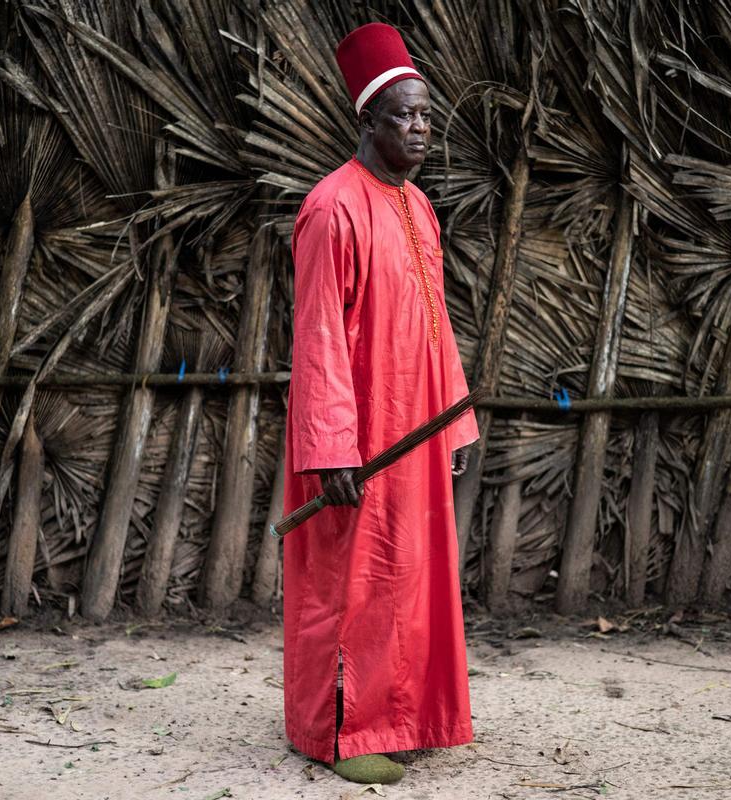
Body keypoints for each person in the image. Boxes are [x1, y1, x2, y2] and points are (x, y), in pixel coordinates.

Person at [281, 21, 480, 786]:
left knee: (408, 578)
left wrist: (455, 417)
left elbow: (436, 322)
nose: (422, 129)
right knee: (350, 586)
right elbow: (320, 338)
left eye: (428, 116)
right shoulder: (333, 208)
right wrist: (332, 448)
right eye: (404, 115)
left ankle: (401, 717)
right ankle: (342, 734)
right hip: (359, 437)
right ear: (366, 122)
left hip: (416, 431)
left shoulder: (419, 207)